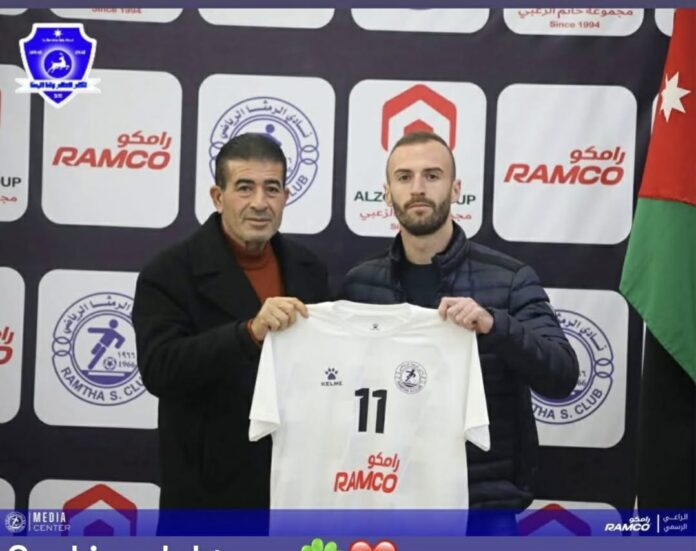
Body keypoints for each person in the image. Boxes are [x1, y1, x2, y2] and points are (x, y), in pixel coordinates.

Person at [341, 131, 579, 534]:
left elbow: (562, 375)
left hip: (482, 504)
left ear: (455, 189)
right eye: (404, 177)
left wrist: (495, 325)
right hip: (384, 496)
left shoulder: (510, 279)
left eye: (432, 176)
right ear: (387, 193)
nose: (418, 188)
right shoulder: (359, 285)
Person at [132, 133, 329, 523]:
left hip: (294, 490)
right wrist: (248, 333)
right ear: (217, 196)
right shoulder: (169, 272)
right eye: (244, 187)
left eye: (271, 188)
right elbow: (160, 369)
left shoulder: (310, 269)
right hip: (207, 498)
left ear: (286, 196)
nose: (259, 202)